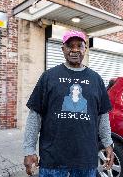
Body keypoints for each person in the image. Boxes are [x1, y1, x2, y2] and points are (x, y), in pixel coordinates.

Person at [23, 30, 114, 177]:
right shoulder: (49, 77)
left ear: (85, 49)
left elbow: (102, 116)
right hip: (52, 160)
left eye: (80, 45)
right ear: (63, 49)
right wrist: (29, 150)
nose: (75, 49)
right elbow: (35, 115)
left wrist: (108, 143)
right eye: (70, 45)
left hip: (86, 159)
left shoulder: (96, 79)